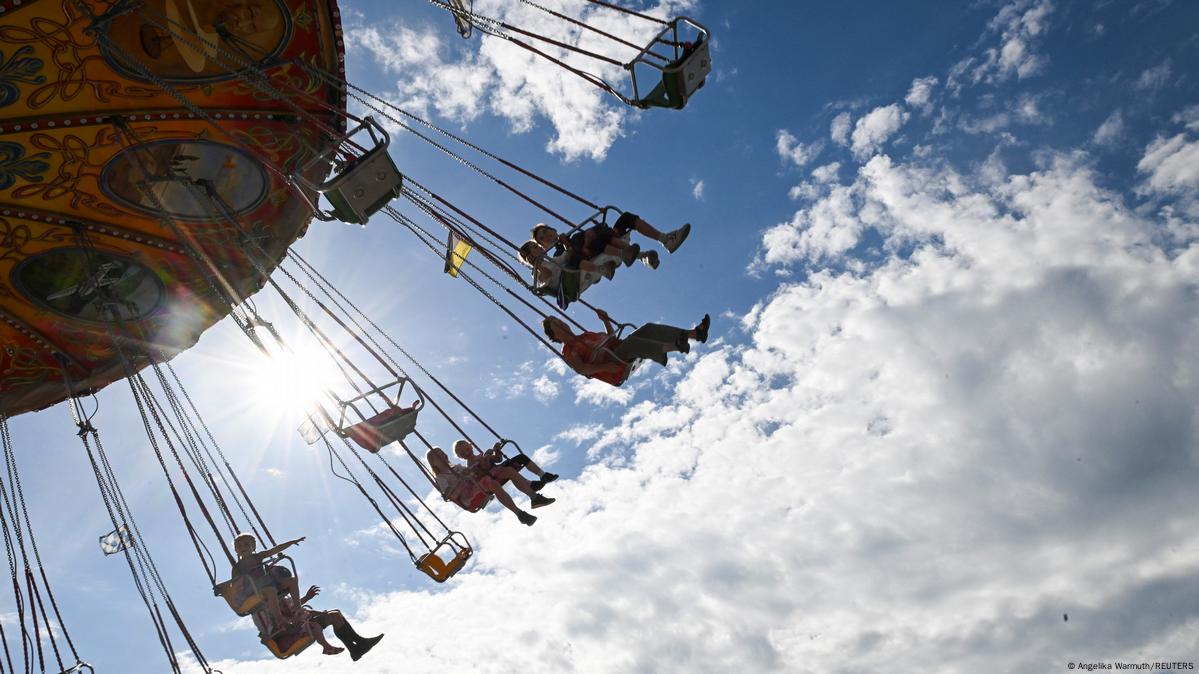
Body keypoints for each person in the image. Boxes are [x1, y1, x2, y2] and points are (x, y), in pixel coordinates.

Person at [543, 308, 710, 386]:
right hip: (613, 366)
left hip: (618, 351)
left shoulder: (586, 336)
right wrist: (605, 366)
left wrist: (605, 320)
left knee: (648, 328)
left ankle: (695, 334)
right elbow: (582, 369)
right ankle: (675, 346)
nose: (562, 323)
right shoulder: (568, 352)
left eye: (559, 320)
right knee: (631, 345)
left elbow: (611, 337)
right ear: (555, 335)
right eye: (557, 324)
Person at [426, 447, 553, 526]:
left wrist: (487, 460)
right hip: (468, 495)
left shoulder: (457, 467)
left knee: (507, 470)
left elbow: (473, 473)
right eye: (438, 455)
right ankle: (519, 513)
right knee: (490, 482)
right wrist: (463, 478)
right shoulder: (441, 478)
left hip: (477, 483)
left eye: (442, 452)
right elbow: (452, 496)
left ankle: (534, 497)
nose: (442, 455)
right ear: (433, 462)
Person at [532, 212, 691, 272]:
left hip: (605, 237)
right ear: (542, 245)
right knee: (594, 238)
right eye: (542, 238)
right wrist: (567, 245)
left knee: (626, 218)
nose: (546, 236)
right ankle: (640, 255)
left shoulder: (574, 235)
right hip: (594, 250)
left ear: (553, 230)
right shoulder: (557, 255)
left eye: (546, 231)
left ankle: (666, 239)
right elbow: (572, 259)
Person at [257, 589, 383, 661]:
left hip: (307, 623)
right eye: (282, 606)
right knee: (330, 618)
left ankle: (355, 649)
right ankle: (357, 644)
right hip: (301, 630)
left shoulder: (293, 610)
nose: (286, 607)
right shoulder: (280, 618)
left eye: (286, 604)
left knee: (336, 614)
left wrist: (322, 612)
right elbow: (281, 629)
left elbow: (307, 611)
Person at [231, 533, 306, 631]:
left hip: (267, 582)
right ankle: (280, 619)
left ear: (253, 547)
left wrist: (292, 542)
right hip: (253, 590)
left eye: (246, 544)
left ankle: (297, 608)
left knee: (291, 581)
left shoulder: (258, 556)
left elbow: (274, 550)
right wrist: (238, 586)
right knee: (271, 590)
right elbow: (234, 585)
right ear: (236, 550)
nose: (243, 547)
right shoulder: (237, 567)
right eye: (239, 546)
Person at [452, 439, 559, 492]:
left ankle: (542, 475)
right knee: (508, 471)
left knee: (521, 458)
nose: (466, 453)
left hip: (498, 469)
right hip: (492, 477)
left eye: (466, 449)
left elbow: (498, 460)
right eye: (462, 453)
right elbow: (479, 473)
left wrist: (496, 451)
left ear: (471, 446)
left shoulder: (482, 455)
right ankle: (529, 484)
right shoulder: (470, 465)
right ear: (459, 457)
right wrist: (485, 459)